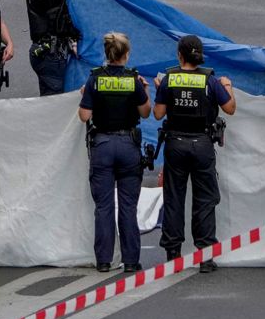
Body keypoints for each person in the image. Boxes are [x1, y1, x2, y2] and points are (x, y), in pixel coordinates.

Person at [153, 35, 235, 273]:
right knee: (205, 200)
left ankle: (173, 253)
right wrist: (227, 86)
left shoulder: (169, 79)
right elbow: (230, 108)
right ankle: (206, 256)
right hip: (202, 144)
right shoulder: (210, 80)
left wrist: (162, 92)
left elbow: (158, 114)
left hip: (175, 144)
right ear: (200, 56)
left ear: (180, 56)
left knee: (174, 199)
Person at [79, 31, 150, 273]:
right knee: (128, 206)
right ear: (126, 54)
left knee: (104, 206)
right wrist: (145, 91)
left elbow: (84, 116)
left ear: (107, 54)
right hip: (129, 146)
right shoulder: (133, 80)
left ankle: (103, 261)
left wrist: (86, 97)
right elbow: (145, 112)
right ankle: (131, 261)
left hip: (102, 146)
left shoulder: (95, 79)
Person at [26, 0, 80, 96]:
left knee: (56, 96)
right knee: (53, 99)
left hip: (58, 52)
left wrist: (72, 42)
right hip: (48, 55)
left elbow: (62, 21)